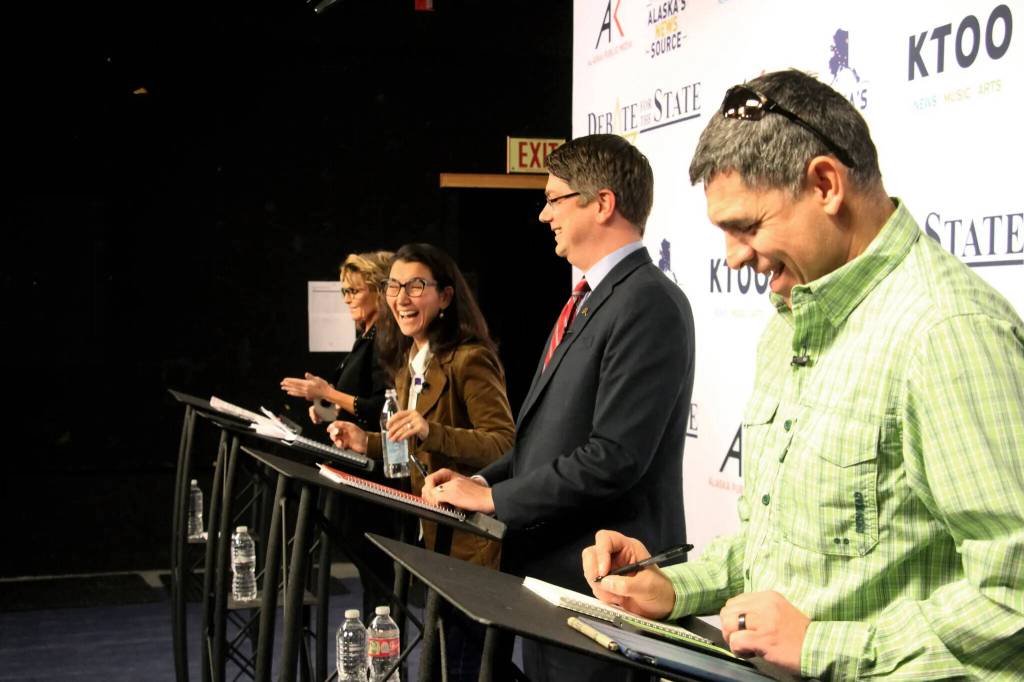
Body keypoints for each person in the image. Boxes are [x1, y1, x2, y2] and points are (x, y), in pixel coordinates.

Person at [582, 69, 1024, 680]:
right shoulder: (789, 322)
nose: (734, 256)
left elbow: (1013, 595)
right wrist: (675, 587)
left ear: (824, 184)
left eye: (746, 227)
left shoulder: (947, 331)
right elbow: (777, 551)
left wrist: (820, 645)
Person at [422, 134, 696, 681]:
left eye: (554, 199)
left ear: (603, 203)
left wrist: (494, 498)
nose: (544, 214)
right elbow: (546, 437)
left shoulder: (648, 303)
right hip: (555, 578)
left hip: (603, 585)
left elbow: (613, 457)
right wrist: (480, 479)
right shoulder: (592, 298)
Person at [328, 243, 515, 681]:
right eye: (394, 286)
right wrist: (367, 442)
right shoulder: (409, 360)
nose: (402, 298)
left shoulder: (470, 357)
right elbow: (411, 442)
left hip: (471, 547)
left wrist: (433, 431)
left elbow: (504, 444)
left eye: (416, 286)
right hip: (431, 539)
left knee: (464, 668)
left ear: (445, 296)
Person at [279, 250, 398, 621]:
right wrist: (327, 408)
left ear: (378, 291)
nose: (347, 299)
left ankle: (384, 644)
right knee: (370, 575)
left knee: (378, 576)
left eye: (354, 290)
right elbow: (356, 405)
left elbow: (381, 407)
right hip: (355, 468)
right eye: (343, 291)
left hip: (376, 473)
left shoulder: (386, 339)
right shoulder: (366, 337)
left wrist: (329, 393)